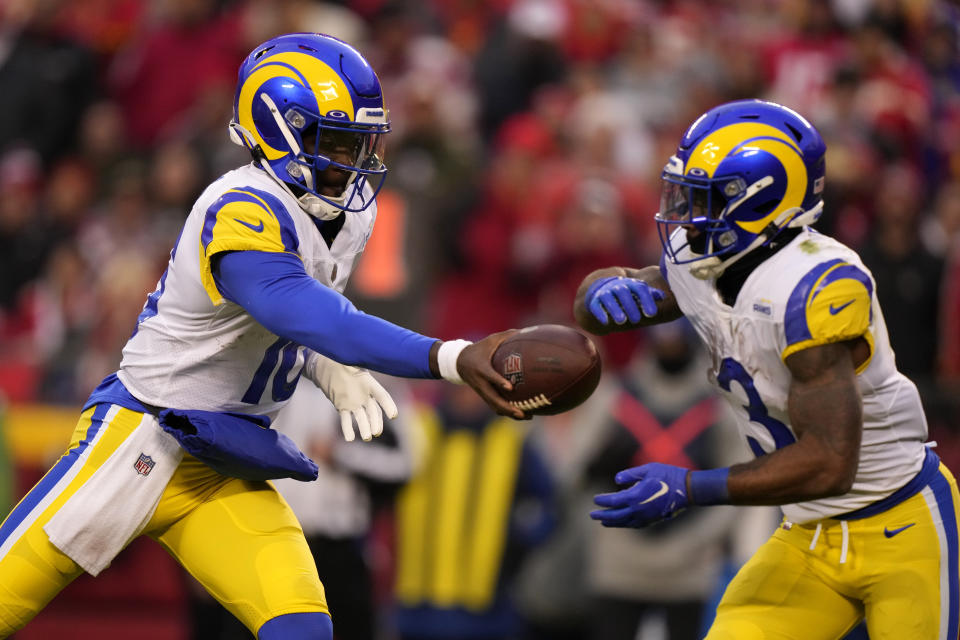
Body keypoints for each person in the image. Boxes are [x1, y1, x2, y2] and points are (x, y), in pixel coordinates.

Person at [0, 33, 525, 640]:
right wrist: (451, 358)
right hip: (142, 440)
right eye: (336, 142)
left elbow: (282, 325)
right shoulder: (242, 208)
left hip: (222, 458)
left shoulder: (345, 211)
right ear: (278, 128)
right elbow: (310, 315)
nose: (354, 161)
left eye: (362, 142)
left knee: (301, 629)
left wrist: (321, 366)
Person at [574, 99, 959, 639]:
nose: (684, 214)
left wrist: (691, 486)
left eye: (703, 198)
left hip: (899, 524)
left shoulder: (814, 287)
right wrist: (598, 291)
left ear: (760, 202)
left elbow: (831, 462)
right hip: (809, 532)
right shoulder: (706, 259)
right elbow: (635, 289)